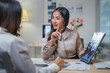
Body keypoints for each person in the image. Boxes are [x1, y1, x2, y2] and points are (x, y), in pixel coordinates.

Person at [0, 0, 64, 73]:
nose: (54, 21)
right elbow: (43, 58)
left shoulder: (74, 33)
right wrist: (55, 66)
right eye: (52, 18)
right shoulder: (13, 42)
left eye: (57, 18)